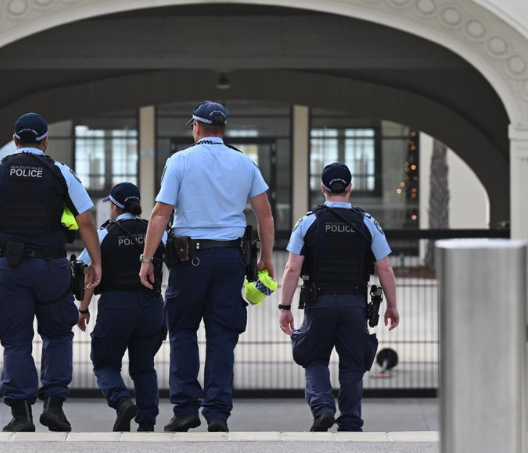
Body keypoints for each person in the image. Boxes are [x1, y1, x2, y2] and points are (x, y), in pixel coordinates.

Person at [138, 100, 275, 433]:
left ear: (196, 127)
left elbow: (160, 213)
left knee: (183, 330)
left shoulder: (180, 161)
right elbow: (265, 214)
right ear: (223, 129)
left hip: (189, 260)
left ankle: (185, 409)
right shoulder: (245, 163)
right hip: (231, 259)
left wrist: (147, 259)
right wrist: (266, 257)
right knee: (222, 334)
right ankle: (217, 413)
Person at [0, 112, 102, 433]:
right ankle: (54, 406)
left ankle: (21, 414)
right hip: (52, 266)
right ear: (45, 141)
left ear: (14, 140)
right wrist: (96, 262)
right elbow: (85, 221)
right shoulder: (60, 173)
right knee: (57, 335)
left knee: (16, 340)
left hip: (9, 268)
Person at [278, 162, 400, 432]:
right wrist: (391, 306)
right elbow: (384, 268)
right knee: (354, 364)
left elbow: (292, 268)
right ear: (350, 188)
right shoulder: (367, 223)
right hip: (354, 304)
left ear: (322, 188)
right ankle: (350, 423)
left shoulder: (308, 222)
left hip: (318, 304)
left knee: (313, 357)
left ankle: (322, 409)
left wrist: (284, 307)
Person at [76, 182, 166, 432]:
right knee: (144, 365)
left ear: (114, 206)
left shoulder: (104, 233)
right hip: (150, 306)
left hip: (116, 306)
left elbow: (89, 274)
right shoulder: (154, 230)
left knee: (105, 363)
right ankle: (147, 421)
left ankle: (121, 401)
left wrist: (83, 309)